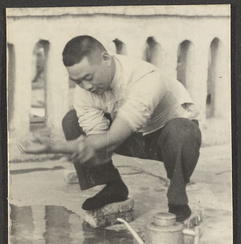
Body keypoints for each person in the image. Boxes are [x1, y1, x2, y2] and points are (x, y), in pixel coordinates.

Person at [19, 35, 202, 222]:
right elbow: (97, 141)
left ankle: (177, 199)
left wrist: (61, 147)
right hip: (130, 137)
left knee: (183, 130)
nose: (86, 86)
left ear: (106, 59)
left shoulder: (145, 78)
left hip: (165, 139)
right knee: (72, 120)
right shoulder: (84, 91)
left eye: (88, 78)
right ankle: (114, 186)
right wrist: (51, 146)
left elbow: (112, 137)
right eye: (78, 81)